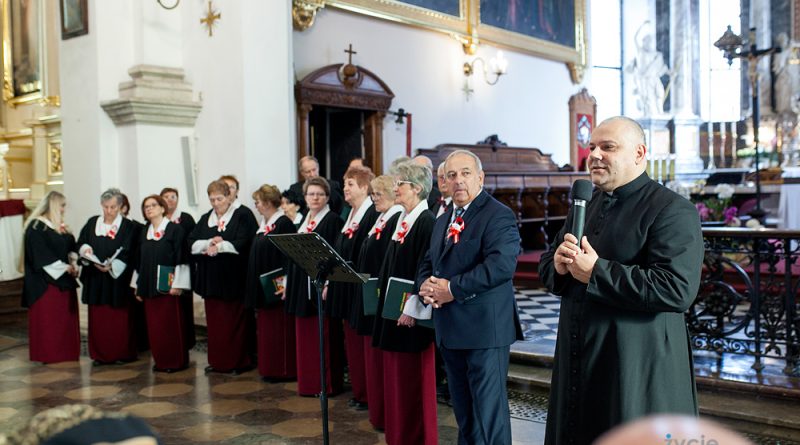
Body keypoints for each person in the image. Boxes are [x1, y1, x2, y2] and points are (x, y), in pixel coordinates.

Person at [538, 116, 704, 444]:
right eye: (592, 147)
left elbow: (676, 289)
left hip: (634, 366)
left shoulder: (672, 209)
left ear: (639, 153)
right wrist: (557, 265)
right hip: (580, 356)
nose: (595, 154)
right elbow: (549, 263)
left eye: (608, 147)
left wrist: (596, 271)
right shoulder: (585, 205)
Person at [417, 149, 523, 445]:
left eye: (465, 173)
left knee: (490, 416)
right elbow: (429, 261)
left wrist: (449, 289)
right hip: (450, 330)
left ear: (480, 177)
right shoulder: (443, 219)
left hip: (483, 331)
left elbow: (501, 266)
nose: (458, 180)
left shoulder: (497, 215)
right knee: (464, 414)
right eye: (452, 175)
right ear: (445, 182)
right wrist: (425, 285)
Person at [372, 161, 437, 445]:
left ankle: (414, 436)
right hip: (392, 309)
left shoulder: (427, 222)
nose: (395, 188)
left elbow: (426, 268)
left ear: (417, 189)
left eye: (401, 184)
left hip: (410, 314)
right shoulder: (402, 218)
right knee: (396, 377)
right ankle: (398, 434)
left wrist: (413, 308)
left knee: (411, 380)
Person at [284, 176, 344, 396]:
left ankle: (325, 385)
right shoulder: (304, 219)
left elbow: (335, 256)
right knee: (305, 337)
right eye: (311, 194)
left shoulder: (332, 219)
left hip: (320, 286)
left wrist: (328, 282)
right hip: (301, 286)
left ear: (327, 196)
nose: (315, 198)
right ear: (305, 197)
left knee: (323, 336)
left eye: (320, 194)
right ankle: (308, 383)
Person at [325, 166, 379, 410]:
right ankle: (359, 392)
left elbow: (363, 254)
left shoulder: (369, 214)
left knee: (361, 344)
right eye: (345, 184)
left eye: (350, 184)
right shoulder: (351, 213)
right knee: (351, 343)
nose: (345, 189)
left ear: (365, 188)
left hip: (358, 288)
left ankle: (367, 395)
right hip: (346, 287)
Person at [188, 180, 255, 374]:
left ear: (229, 196)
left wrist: (221, 246)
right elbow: (191, 242)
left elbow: (245, 242)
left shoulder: (242, 215)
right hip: (211, 279)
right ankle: (218, 361)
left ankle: (238, 362)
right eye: (212, 199)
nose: (216, 203)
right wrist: (209, 242)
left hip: (234, 278)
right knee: (216, 324)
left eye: (219, 198)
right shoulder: (206, 218)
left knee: (234, 322)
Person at [357, 174, 403, 430]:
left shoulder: (395, 217)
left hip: (381, 292)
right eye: (372, 194)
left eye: (378, 194)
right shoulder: (381, 217)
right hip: (371, 289)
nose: (374, 198)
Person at [244, 184, 298, 382]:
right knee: (267, 330)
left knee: (279, 329)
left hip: (277, 286)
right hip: (262, 286)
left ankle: (282, 369)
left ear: (267, 203)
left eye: (258, 202)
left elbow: (288, 256)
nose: (256, 206)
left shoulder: (283, 223)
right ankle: (269, 368)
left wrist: (285, 283)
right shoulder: (264, 223)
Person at [77, 188, 138, 365]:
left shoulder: (128, 227)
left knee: (119, 319)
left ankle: (121, 353)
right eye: (105, 207)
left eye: (112, 207)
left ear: (120, 207)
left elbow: (129, 251)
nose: (109, 211)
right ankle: (100, 355)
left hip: (117, 280)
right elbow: (80, 243)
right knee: (99, 319)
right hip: (95, 278)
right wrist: (86, 252)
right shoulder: (92, 223)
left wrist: (112, 266)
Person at [132, 195, 191, 372]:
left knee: (170, 325)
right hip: (149, 286)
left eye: (153, 205)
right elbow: (139, 261)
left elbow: (182, 257)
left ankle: (176, 362)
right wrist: (137, 286)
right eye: (146, 206)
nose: (149, 209)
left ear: (163, 208)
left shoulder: (175, 230)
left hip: (169, 285)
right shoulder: (144, 231)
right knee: (155, 327)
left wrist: (178, 284)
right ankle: (161, 361)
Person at [21, 191, 80, 364]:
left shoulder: (57, 227)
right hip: (45, 284)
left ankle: (66, 353)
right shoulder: (36, 227)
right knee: (50, 323)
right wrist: (66, 268)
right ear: (54, 205)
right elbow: (41, 257)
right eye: (61, 206)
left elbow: (69, 248)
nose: (63, 210)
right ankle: (50, 354)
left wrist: (74, 263)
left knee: (63, 322)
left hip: (63, 281)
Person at [160, 187, 197, 351]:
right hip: (163, 268)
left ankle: (186, 341)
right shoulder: (157, 219)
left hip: (183, 266)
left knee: (183, 307)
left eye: (173, 196)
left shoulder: (186, 219)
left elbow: (192, 241)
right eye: (166, 197)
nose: (170, 200)